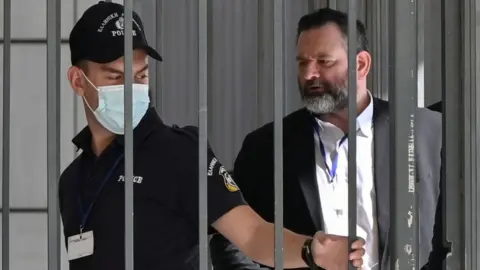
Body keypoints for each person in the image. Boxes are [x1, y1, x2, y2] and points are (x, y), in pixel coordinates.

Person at [58, 2, 366, 270]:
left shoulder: (178, 153)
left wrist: (312, 251)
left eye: (141, 76)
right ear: (77, 80)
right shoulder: (73, 179)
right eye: (114, 77)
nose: (132, 89)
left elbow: (252, 234)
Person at [210, 8, 449, 270]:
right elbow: (231, 241)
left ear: (361, 65)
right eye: (303, 62)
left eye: (324, 62)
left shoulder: (429, 133)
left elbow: (456, 233)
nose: (310, 74)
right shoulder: (266, 147)